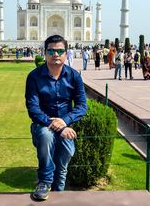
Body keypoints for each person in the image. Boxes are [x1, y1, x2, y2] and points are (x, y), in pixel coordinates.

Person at [25, 35, 87, 201]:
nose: (56, 54)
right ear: (45, 53)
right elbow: (33, 109)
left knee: (65, 157)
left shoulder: (74, 76)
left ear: (66, 54)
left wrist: (65, 121)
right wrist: (57, 124)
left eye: (60, 50)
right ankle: (44, 182)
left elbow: (82, 106)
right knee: (46, 136)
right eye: (51, 50)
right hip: (42, 124)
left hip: (66, 125)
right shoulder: (34, 77)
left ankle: (59, 190)